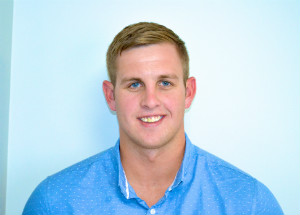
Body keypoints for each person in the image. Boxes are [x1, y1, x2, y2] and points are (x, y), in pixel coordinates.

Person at [23, 22, 283, 215]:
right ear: (111, 96)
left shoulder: (250, 202)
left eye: (165, 83)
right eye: (135, 84)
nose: (150, 101)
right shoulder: (54, 202)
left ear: (188, 92)